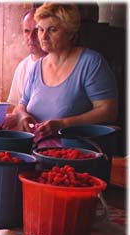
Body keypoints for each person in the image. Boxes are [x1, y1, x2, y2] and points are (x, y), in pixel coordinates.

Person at [13, 3, 118, 140]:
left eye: (52, 30)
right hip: (35, 149)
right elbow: (21, 106)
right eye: (40, 29)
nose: (43, 37)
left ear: (70, 33)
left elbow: (108, 111)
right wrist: (23, 117)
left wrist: (63, 124)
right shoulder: (37, 66)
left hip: (74, 152)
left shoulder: (91, 63)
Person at [7, 8, 47, 108]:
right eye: (26, 31)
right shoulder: (22, 67)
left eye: (36, 30)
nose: (31, 37)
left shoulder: (57, 63)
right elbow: (14, 106)